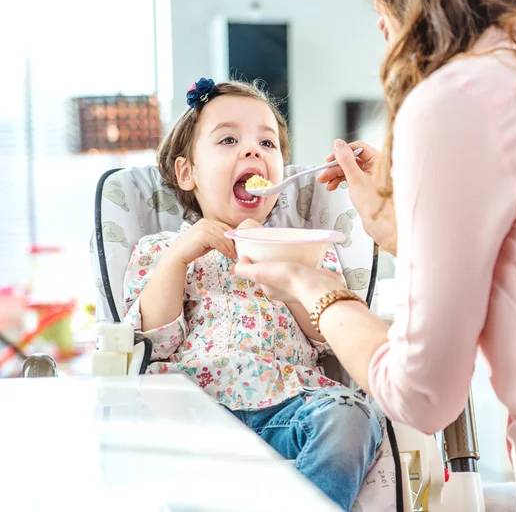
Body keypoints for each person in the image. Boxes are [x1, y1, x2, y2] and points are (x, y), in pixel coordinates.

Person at [235, 0, 516, 510]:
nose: (384, 32)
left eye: (382, 6)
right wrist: (406, 222)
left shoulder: (461, 98)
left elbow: (421, 397)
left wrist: (312, 286)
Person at [122, 77, 382, 511]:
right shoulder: (162, 251)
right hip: (196, 410)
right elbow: (156, 342)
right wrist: (178, 259)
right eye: (228, 139)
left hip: (290, 406)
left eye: (268, 143)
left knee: (353, 417)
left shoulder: (309, 246)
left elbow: (330, 336)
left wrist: (288, 265)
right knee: (149, 443)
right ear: (188, 173)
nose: (253, 150)